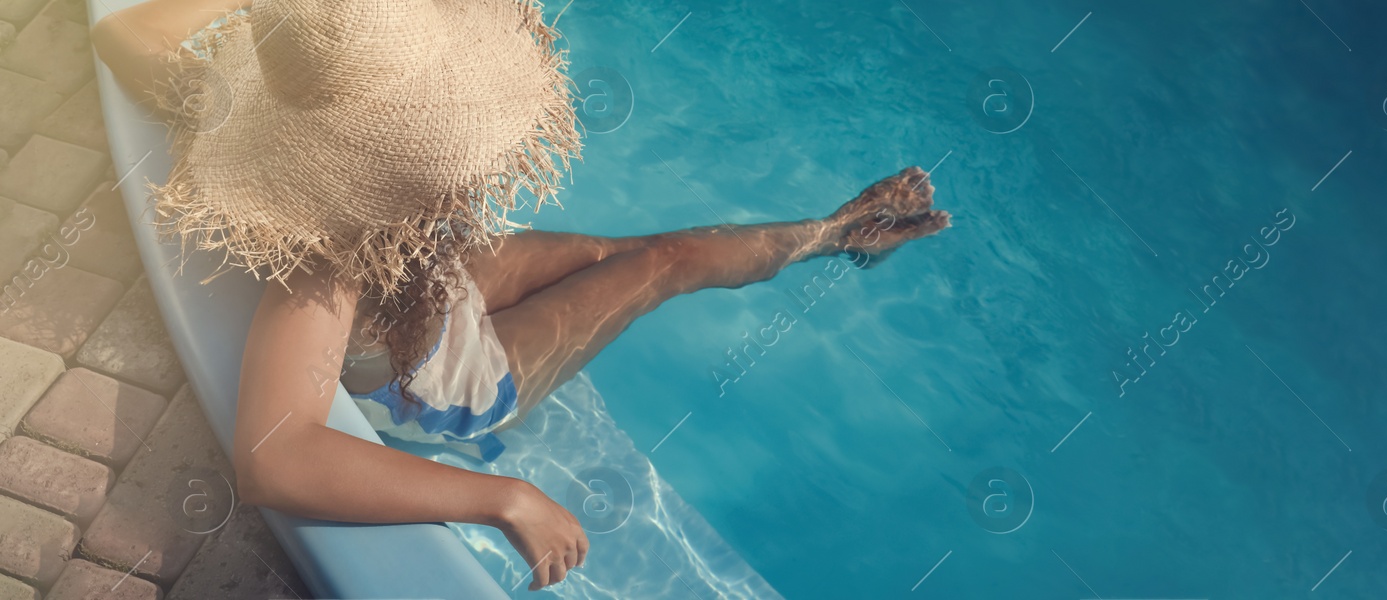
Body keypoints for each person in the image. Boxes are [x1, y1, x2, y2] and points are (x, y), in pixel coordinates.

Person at [91, 0, 949, 590]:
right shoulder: (329, 263)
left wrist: (296, 29)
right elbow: (273, 459)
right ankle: (839, 234)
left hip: (440, 290)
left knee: (616, 251)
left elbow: (122, 38)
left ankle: (831, 237)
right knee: (663, 265)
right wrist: (505, 497)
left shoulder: (247, 120)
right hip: (442, 387)